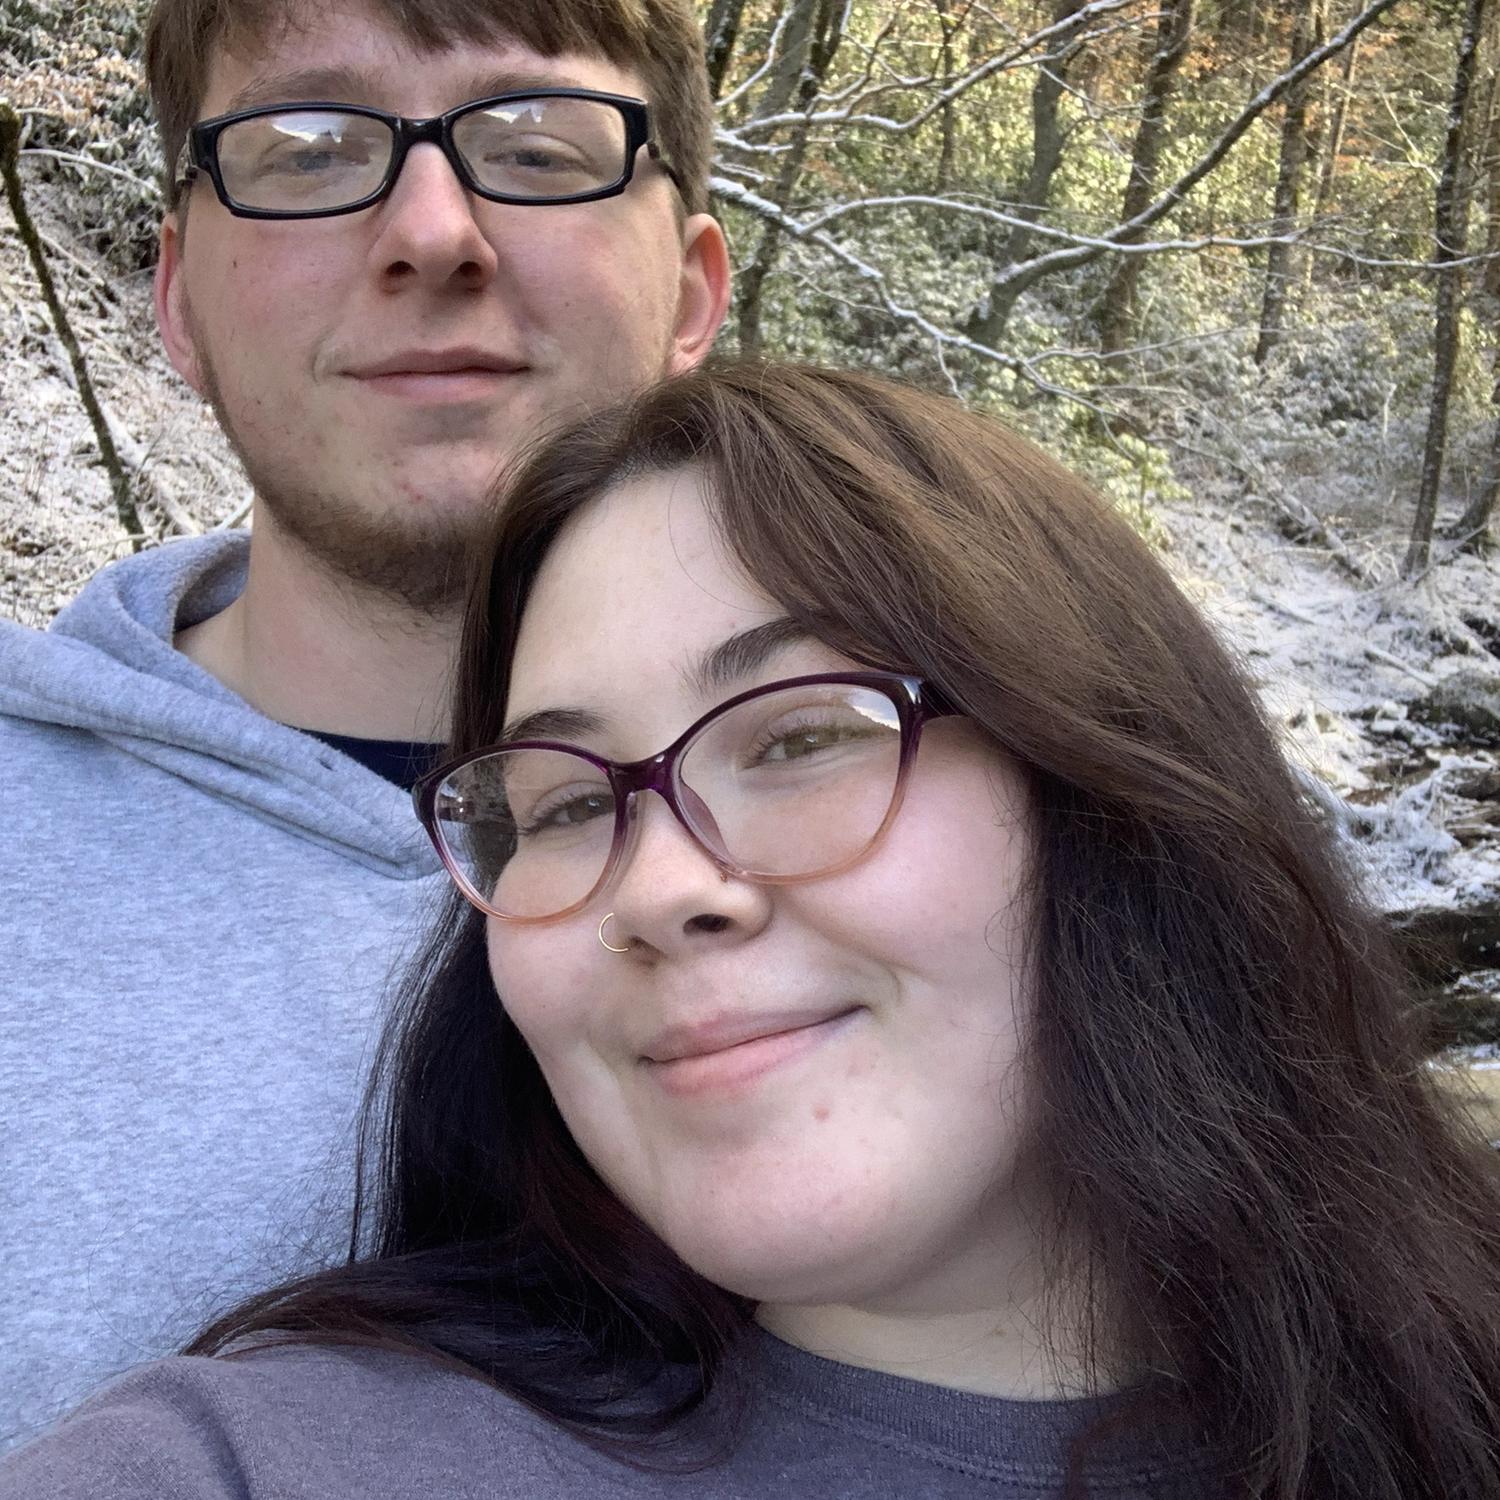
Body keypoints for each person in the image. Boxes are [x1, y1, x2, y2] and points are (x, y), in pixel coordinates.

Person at [5, 362, 1498, 1499]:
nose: (659, 888)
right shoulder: (248, 1468)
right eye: (564, 804)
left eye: (798, 739)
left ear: (1106, 788)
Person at [0, 0, 730, 1447]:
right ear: (178, 302)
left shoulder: (965, 840)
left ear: (694, 294)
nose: (433, 232)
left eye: (537, 146)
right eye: (309, 146)